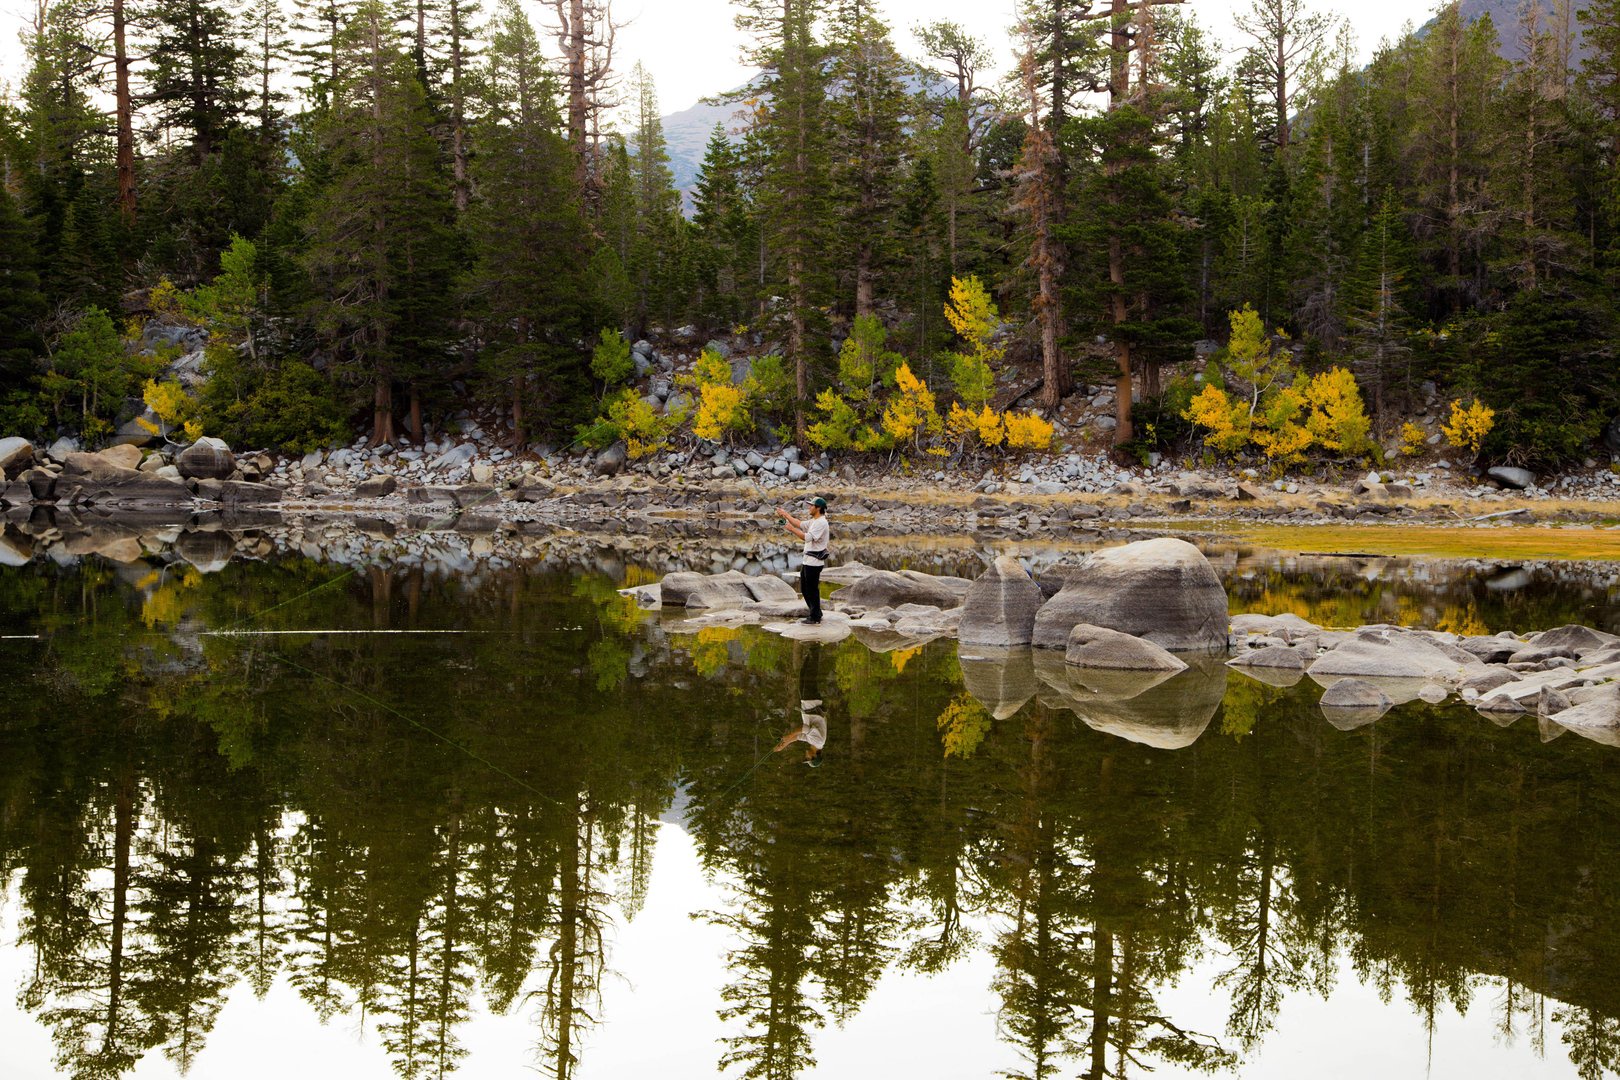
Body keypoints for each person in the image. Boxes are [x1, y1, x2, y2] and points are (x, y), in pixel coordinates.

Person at [778, 497, 829, 624]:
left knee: (811, 589)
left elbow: (807, 538)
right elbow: (799, 523)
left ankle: (815, 617)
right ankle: (816, 612)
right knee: (805, 589)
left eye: (811, 505)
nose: (809, 507)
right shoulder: (814, 520)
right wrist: (785, 515)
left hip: (815, 561)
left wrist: (791, 529)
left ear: (818, 508)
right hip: (808, 561)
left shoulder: (821, 523)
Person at [775, 644, 826, 766]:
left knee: (803, 675)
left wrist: (784, 744)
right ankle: (815, 648)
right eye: (808, 758)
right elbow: (805, 729)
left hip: (808, 703)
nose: (806, 756)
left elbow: (798, 737)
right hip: (812, 702)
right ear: (814, 756)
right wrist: (788, 736)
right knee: (810, 676)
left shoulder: (812, 741)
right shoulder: (819, 742)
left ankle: (812, 650)